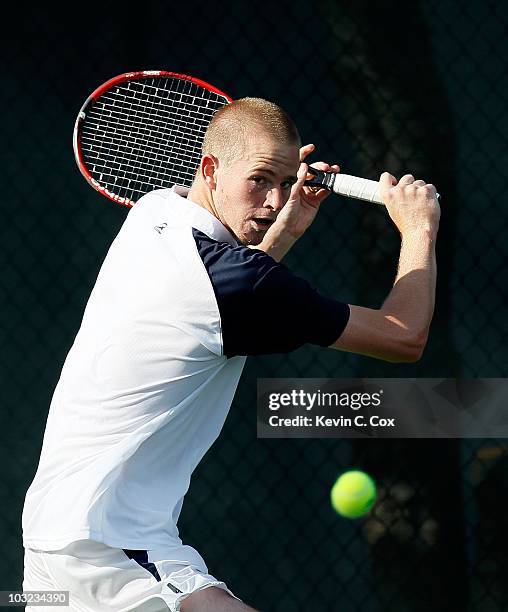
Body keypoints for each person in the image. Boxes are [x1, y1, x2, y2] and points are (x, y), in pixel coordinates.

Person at [22, 98, 440, 611]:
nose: (272, 199)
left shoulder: (156, 210)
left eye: (285, 183)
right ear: (211, 168)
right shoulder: (235, 287)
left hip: (52, 533)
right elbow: (403, 337)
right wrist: (418, 228)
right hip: (109, 538)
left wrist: (284, 230)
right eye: (260, 179)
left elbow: (233, 293)